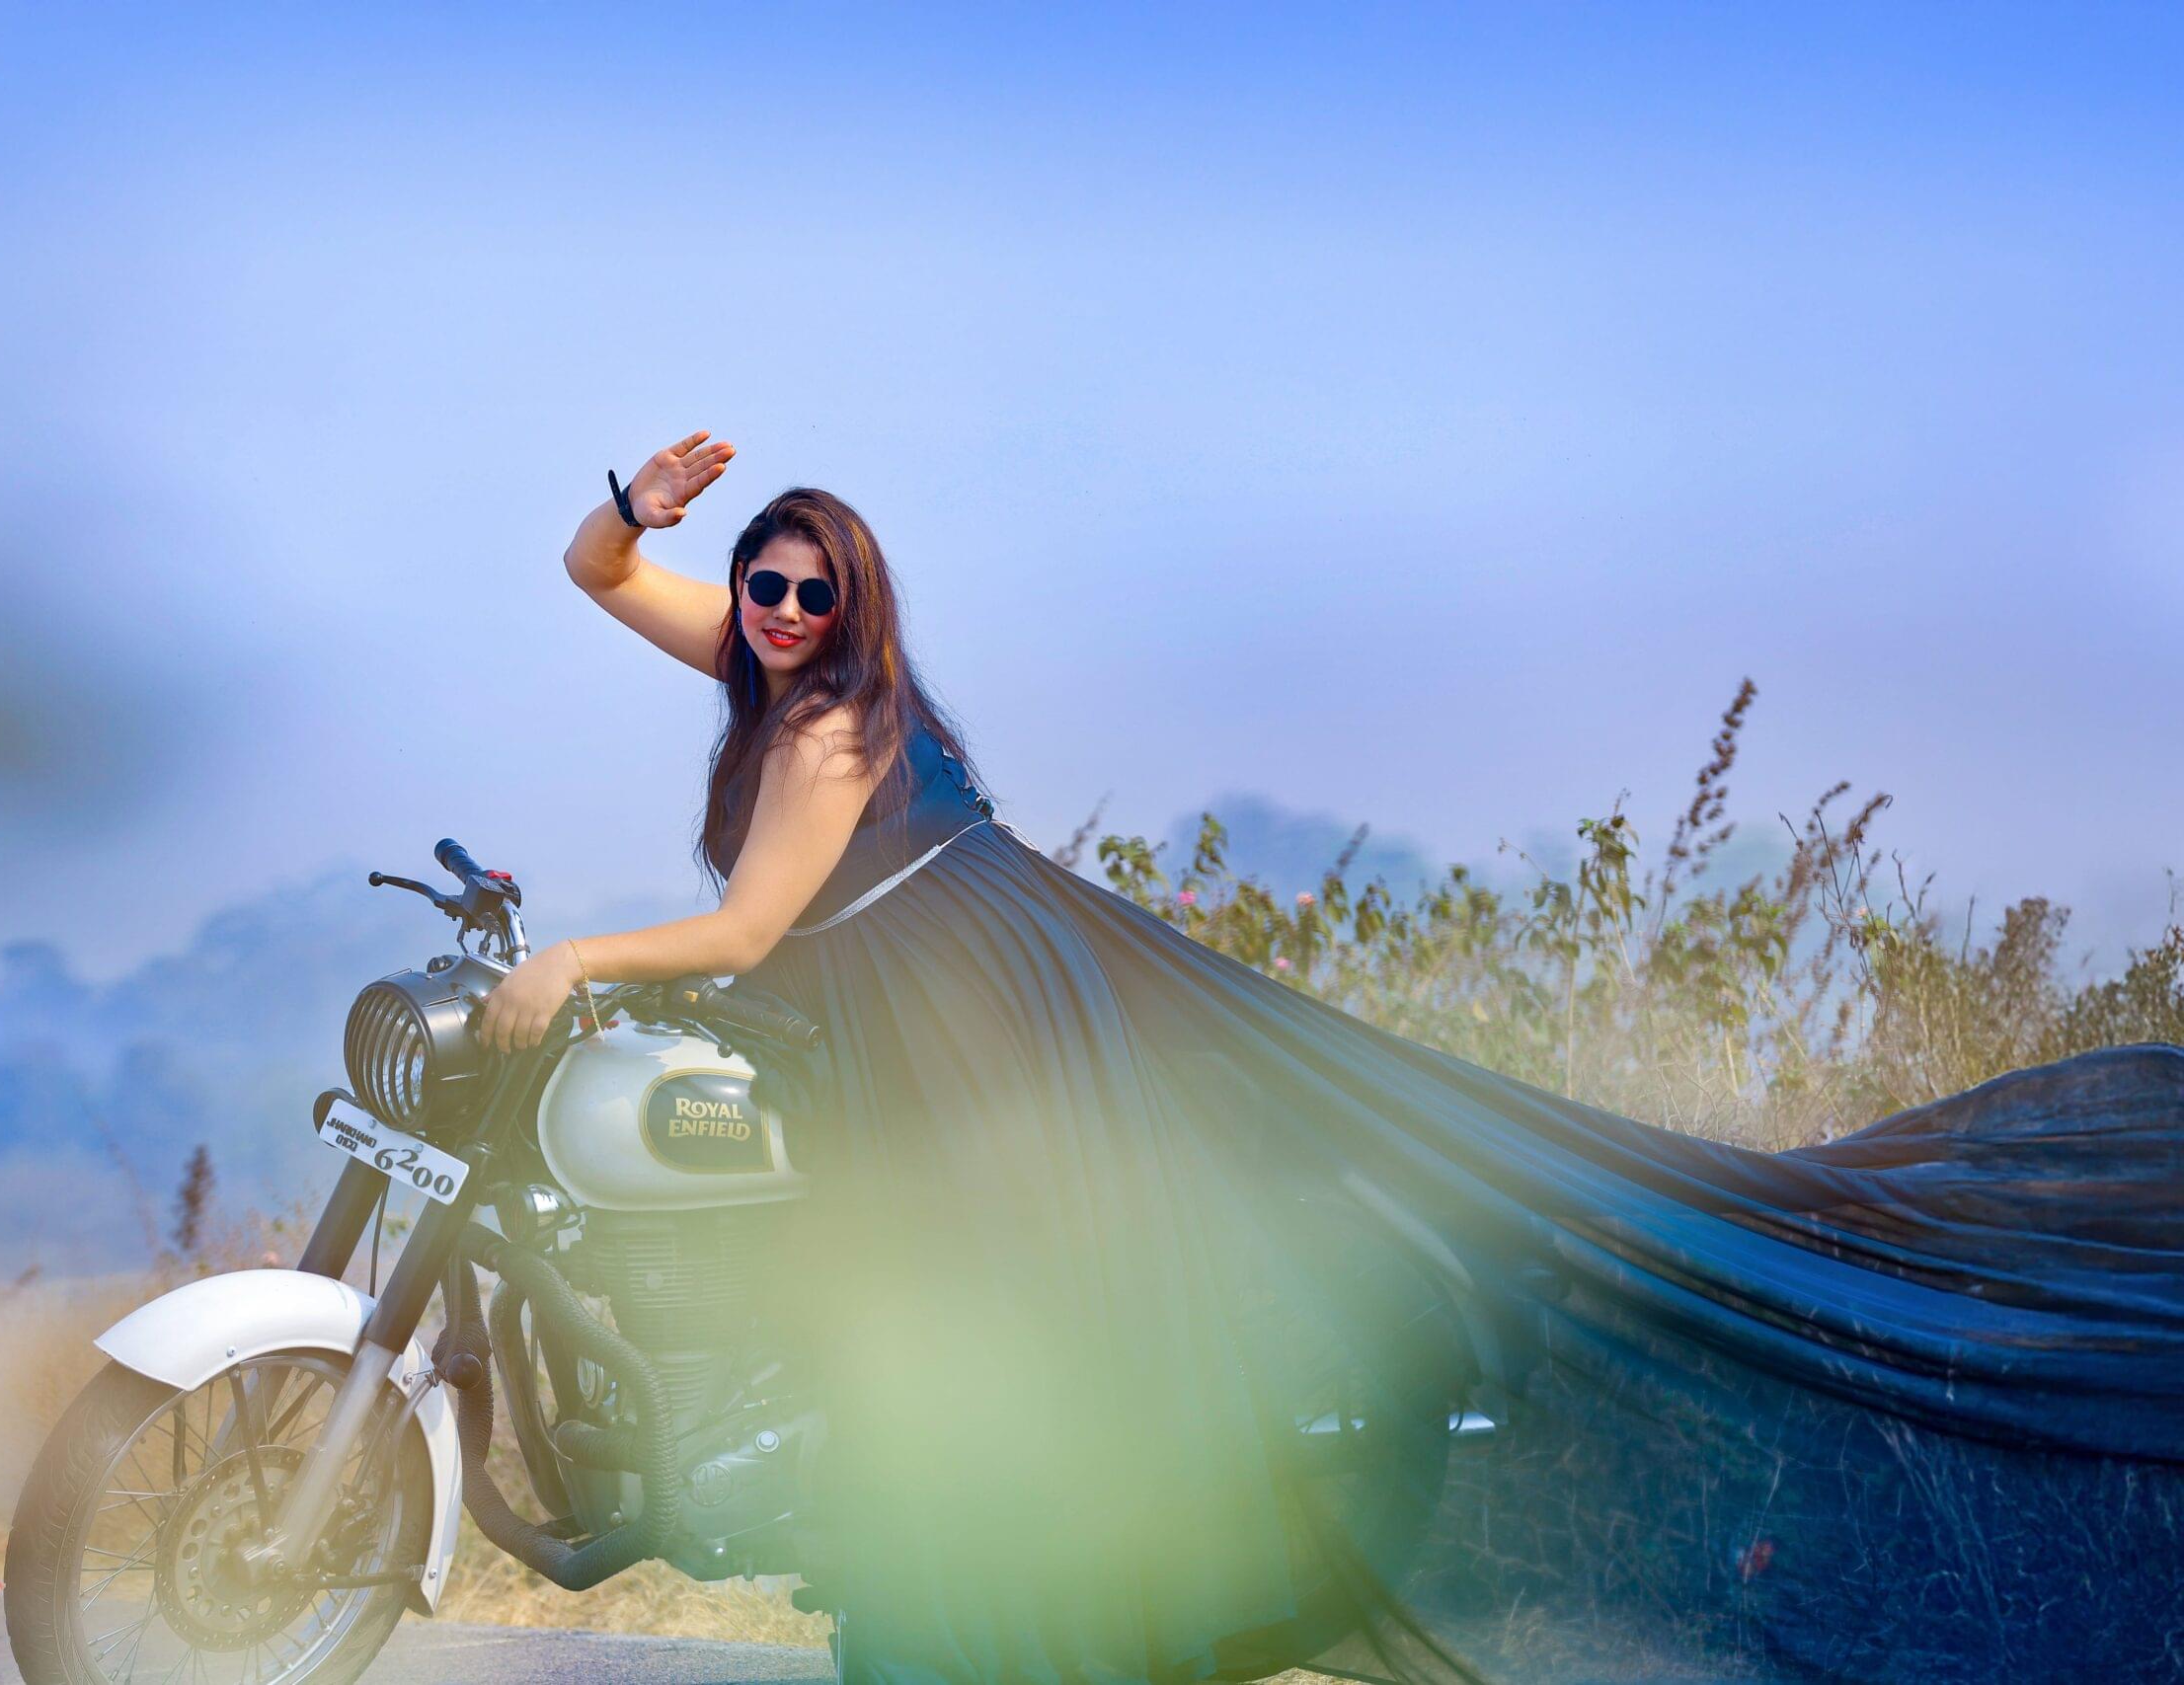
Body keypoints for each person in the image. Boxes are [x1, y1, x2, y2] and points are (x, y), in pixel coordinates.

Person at [479, 431, 2184, 1684]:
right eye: (763, 583)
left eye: (808, 587)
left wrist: (576, 957)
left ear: (859, 610)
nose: (775, 607)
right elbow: (599, 580)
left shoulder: (838, 718)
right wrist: (633, 511)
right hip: (933, 998)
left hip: (971, 1022)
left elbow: (752, 931)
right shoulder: (770, 672)